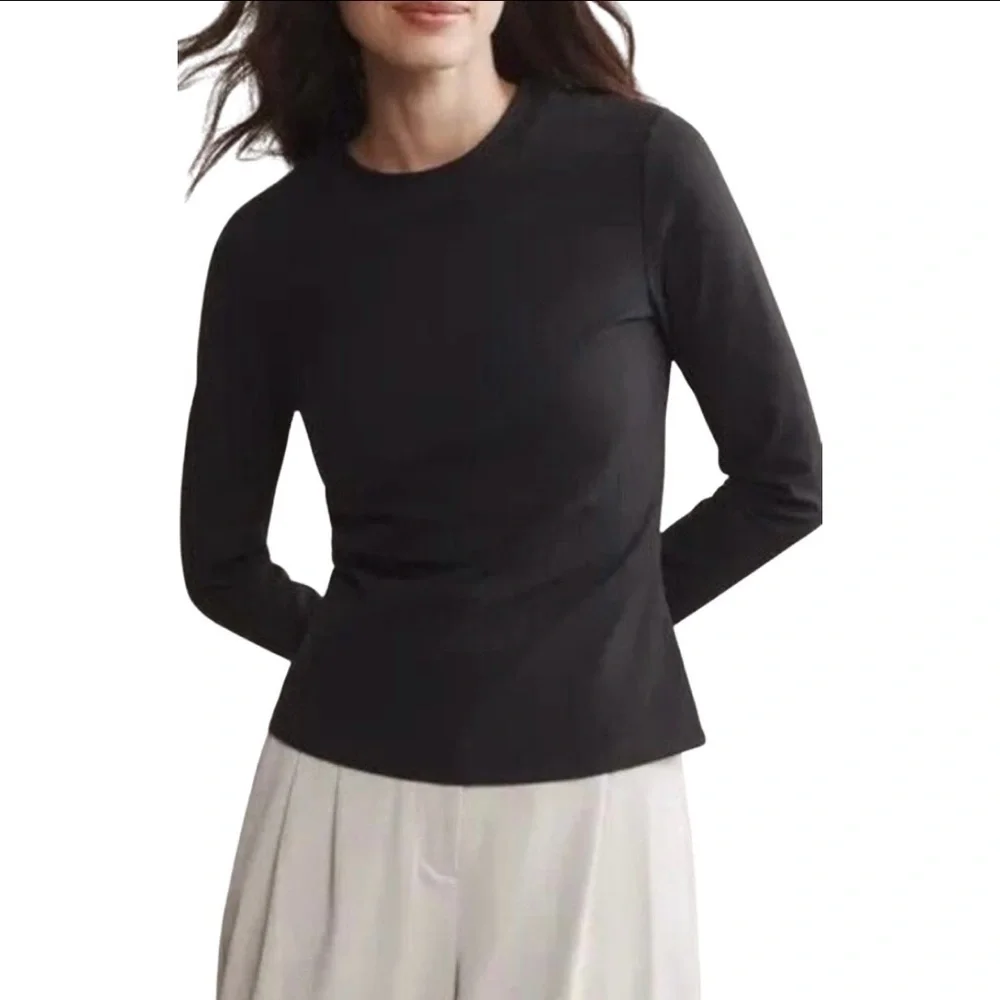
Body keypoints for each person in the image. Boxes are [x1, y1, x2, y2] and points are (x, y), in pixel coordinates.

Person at [177, 1, 823, 997]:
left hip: (593, 799)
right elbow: (220, 562)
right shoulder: (272, 246)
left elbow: (782, 477)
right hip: (343, 798)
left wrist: (596, 629)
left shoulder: (643, 169)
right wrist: (390, 656)